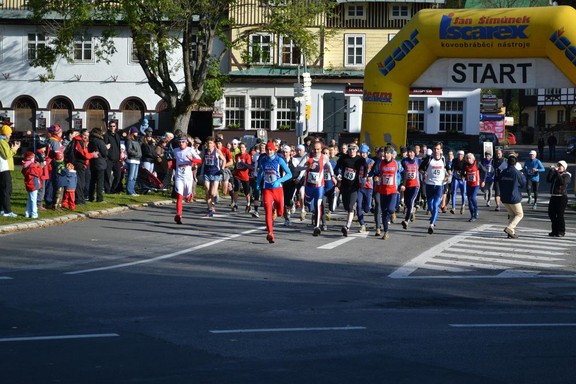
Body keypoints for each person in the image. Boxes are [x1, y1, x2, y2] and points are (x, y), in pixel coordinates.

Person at [256, 140, 293, 243]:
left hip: (278, 189)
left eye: (271, 150)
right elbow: (260, 172)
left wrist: (279, 181)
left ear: (274, 150)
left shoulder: (279, 160)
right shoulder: (263, 160)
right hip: (267, 189)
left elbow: (289, 174)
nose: (269, 152)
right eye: (267, 150)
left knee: (280, 212)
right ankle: (270, 233)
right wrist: (258, 183)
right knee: (267, 211)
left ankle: (277, 211)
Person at [303, 140, 336, 236]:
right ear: (311, 149)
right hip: (309, 186)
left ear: (321, 149)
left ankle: (317, 226)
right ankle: (310, 208)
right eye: (314, 149)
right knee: (309, 204)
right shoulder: (307, 157)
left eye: (318, 149)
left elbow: (329, 166)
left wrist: (333, 176)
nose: (316, 151)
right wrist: (308, 167)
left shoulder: (324, 157)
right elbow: (298, 167)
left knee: (318, 205)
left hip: (319, 186)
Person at [334, 143, 366, 236]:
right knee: (346, 207)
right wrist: (338, 174)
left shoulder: (360, 160)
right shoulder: (343, 158)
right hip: (344, 185)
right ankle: (352, 210)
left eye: (353, 149)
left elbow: (366, 168)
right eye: (350, 149)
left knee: (350, 207)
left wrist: (364, 177)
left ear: (357, 150)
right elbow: (336, 168)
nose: (352, 151)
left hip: (354, 187)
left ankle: (347, 227)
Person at [419, 141, 449, 234]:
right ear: (433, 150)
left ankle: (432, 225)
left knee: (436, 205)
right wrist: (424, 174)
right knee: (430, 205)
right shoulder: (428, 159)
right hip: (429, 185)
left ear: (441, 150)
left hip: (439, 186)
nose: (436, 151)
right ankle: (433, 217)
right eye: (435, 149)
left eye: (438, 149)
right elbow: (420, 169)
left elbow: (448, 170)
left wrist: (447, 177)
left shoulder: (443, 160)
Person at [173, 135, 202, 224]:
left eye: (183, 142)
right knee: (179, 196)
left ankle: (190, 195)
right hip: (179, 176)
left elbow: (200, 160)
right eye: (180, 142)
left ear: (186, 143)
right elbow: (173, 161)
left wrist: (192, 159)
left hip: (188, 176)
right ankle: (179, 214)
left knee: (188, 196)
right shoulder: (175, 151)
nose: (181, 144)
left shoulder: (190, 150)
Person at [372, 146, 399, 240]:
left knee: (390, 209)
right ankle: (386, 232)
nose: (386, 155)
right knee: (384, 212)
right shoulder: (381, 164)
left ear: (391, 154)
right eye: (385, 153)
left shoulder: (396, 163)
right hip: (383, 191)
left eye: (388, 153)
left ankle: (393, 212)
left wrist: (401, 184)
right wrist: (376, 177)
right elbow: (376, 173)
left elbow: (399, 174)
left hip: (392, 191)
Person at [498, 154, 526, 239]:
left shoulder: (503, 172)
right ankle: (510, 228)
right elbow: (523, 183)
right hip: (514, 197)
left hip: (504, 197)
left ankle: (511, 233)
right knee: (519, 214)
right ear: (516, 163)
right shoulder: (517, 172)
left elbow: (499, 182)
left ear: (507, 162)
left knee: (512, 214)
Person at [71, 129, 98, 205]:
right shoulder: (78, 141)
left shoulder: (83, 142)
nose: (86, 137)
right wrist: (92, 155)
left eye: (87, 136)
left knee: (84, 182)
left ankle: (81, 199)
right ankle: (79, 200)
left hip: (83, 163)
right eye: (84, 135)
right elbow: (83, 154)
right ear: (81, 135)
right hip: (79, 163)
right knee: (80, 183)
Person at [201, 136, 226, 217]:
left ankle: (215, 196)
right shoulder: (204, 151)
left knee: (213, 193)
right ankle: (210, 209)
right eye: (208, 143)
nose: (209, 144)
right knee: (207, 191)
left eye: (211, 143)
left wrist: (222, 168)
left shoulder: (217, 151)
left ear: (213, 144)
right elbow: (200, 160)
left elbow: (224, 159)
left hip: (216, 173)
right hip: (206, 173)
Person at [546, 160, 571, 237]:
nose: (559, 167)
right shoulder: (556, 174)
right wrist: (551, 171)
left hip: (562, 197)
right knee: (551, 214)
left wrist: (556, 172)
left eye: (560, 166)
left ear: (564, 167)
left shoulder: (567, 175)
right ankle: (554, 230)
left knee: (560, 215)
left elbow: (562, 182)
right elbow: (548, 180)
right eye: (558, 165)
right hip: (553, 196)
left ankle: (561, 231)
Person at [400, 146, 421, 230]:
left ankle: (406, 220)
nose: (410, 154)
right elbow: (402, 172)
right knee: (407, 202)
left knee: (411, 201)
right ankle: (412, 211)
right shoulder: (404, 161)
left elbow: (424, 167)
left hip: (415, 185)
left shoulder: (418, 161)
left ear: (414, 153)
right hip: (407, 185)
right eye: (409, 152)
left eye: (412, 152)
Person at [356, 144, 374, 233]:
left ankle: (370, 208)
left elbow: (376, 171)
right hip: (359, 187)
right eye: (361, 153)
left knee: (367, 208)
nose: (362, 154)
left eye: (364, 153)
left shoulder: (371, 162)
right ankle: (362, 224)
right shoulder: (358, 161)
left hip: (368, 187)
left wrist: (373, 176)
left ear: (367, 153)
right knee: (358, 206)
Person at [88, 127, 109, 202]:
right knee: (100, 181)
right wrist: (106, 148)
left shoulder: (90, 141)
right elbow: (105, 152)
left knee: (92, 180)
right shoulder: (99, 141)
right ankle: (99, 198)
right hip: (100, 162)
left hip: (93, 162)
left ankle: (91, 197)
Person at [231, 142, 253, 212]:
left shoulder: (247, 156)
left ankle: (248, 204)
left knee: (246, 192)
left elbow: (249, 166)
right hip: (237, 175)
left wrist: (242, 163)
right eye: (240, 147)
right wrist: (233, 171)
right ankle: (235, 204)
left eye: (243, 147)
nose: (241, 149)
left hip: (245, 176)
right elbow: (236, 165)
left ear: (246, 148)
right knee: (236, 189)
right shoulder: (237, 155)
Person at [21, 151, 43, 219]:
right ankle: (34, 214)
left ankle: (27, 213)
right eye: (33, 157)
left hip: (28, 183)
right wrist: (40, 167)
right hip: (33, 184)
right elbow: (38, 174)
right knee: (34, 199)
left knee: (30, 199)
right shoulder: (32, 166)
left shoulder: (25, 165)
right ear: (30, 158)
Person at [464, 152, 484, 222]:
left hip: (476, 184)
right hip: (469, 184)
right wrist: (463, 176)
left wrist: (483, 180)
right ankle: (472, 215)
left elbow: (485, 171)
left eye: (469, 158)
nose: (468, 159)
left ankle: (476, 212)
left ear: (473, 159)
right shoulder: (465, 165)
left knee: (473, 198)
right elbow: (463, 172)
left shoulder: (477, 164)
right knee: (469, 200)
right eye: (467, 158)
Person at [104, 121, 122, 193]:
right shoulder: (106, 135)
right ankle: (107, 190)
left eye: (113, 126)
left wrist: (120, 155)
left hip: (116, 159)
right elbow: (104, 146)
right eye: (111, 126)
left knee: (118, 175)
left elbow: (118, 146)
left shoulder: (117, 135)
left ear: (116, 127)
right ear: (109, 127)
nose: (112, 127)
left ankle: (113, 189)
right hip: (109, 159)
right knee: (107, 176)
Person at [125, 127, 142, 196]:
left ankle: (133, 190)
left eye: (137, 132)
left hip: (137, 160)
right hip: (132, 160)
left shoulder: (137, 141)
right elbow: (129, 150)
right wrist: (137, 154)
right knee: (131, 176)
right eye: (135, 132)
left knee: (135, 176)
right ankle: (129, 191)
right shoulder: (129, 140)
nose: (137, 133)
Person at [450, 150, 466, 215]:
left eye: (461, 155)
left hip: (463, 178)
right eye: (459, 154)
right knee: (454, 192)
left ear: (463, 155)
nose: (460, 156)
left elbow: (467, 170)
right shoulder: (454, 160)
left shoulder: (465, 162)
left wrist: (464, 176)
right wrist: (450, 171)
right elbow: (451, 167)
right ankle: (453, 207)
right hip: (456, 177)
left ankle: (463, 206)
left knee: (463, 193)